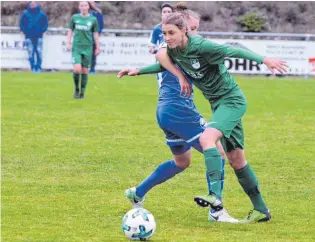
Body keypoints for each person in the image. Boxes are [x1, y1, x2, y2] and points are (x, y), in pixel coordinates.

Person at [118, 12, 288, 223]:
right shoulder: (175, 50)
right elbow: (163, 64)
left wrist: (265, 59)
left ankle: (215, 198)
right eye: (164, 33)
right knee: (237, 160)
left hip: (231, 101)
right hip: (217, 104)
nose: (167, 37)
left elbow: (233, 50)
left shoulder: (202, 46)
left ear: (185, 31)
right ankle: (261, 209)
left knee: (207, 139)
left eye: (171, 33)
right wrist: (138, 70)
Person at [119, 3, 237, 223]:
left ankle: (137, 192)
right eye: (192, 28)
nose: (195, 33)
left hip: (165, 111)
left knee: (182, 161)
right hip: (179, 110)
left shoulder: (184, 47)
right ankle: (217, 211)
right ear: (183, 27)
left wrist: (138, 70)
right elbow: (160, 55)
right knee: (219, 153)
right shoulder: (173, 46)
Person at [67, 1, 100, 99]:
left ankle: (82, 93)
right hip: (77, 47)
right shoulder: (75, 18)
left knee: (85, 70)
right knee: (77, 69)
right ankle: (76, 89)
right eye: (82, 5)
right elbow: (70, 31)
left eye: (85, 5)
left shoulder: (93, 19)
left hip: (88, 47)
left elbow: (95, 34)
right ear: (79, 7)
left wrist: (98, 47)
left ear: (88, 7)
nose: (84, 7)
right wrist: (68, 42)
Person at [19, 1, 48, 73]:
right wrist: (25, 31)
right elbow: (21, 23)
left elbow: (46, 24)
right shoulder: (25, 13)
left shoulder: (41, 14)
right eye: (31, 3)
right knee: (30, 53)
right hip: (28, 37)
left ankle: (38, 68)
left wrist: (42, 31)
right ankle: (33, 68)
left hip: (39, 37)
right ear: (29, 4)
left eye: (34, 3)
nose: (33, 5)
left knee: (39, 53)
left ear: (37, 4)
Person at [88, 1, 104, 74]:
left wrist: (98, 33)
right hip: (84, 37)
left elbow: (100, 25)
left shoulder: (97, 13)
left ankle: (92, 69)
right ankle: (80, 68)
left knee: (93, 54)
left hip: (93, 37)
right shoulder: (81, 12)